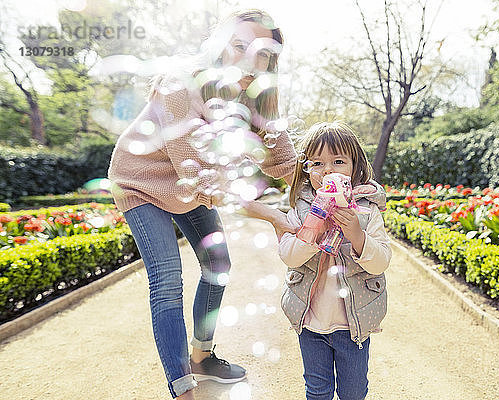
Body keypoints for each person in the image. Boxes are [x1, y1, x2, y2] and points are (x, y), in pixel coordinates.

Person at [107, 9, 297, 400]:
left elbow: (283, 161)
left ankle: (202, 358)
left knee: (218, 264)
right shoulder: (180, 84)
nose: (247, 59)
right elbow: (204, 178)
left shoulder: (255, 93)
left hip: (187, 185)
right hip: (140, 182)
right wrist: (272, 215)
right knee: (168, 279)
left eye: (259, 52)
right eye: (238, 45)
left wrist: (329, 180)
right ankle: (182, 389)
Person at [277, 121, 391, 400]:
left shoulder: (367, 210)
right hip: (310, 321)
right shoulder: (301, 208)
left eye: (338, 161)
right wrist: (313, 230)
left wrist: (356, 234)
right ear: (307, 170)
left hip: (353, 324)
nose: (327, 170)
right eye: (317, 163)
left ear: (355, 167)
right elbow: (288, 254)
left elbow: (381, 261)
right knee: (317, 391)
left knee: (353, 392)